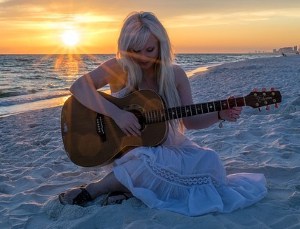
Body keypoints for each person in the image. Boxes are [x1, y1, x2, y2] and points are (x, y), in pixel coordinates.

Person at [59, 11, 267, 216]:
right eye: (135, 50)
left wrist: (219, 115)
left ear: (161, 44)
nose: (142, 57)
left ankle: (125, 187)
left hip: (166, 144)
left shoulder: (175, 75)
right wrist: (117, 114)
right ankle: (94, 189)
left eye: (149, 49)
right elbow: (79, 87)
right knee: (144, 160)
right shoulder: (119, 67)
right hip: (127, 148)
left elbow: (191, 121)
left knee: (211, 162)